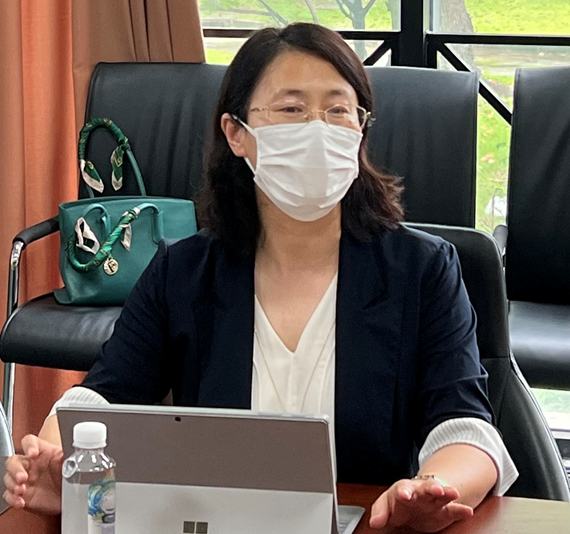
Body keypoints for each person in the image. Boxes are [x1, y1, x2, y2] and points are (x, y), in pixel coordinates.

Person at [3, 23, 518, 532]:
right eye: (292, 110)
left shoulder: (423, 269)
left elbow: (466, 428)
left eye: (338, 110)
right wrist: (56, 463)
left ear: (361, 129)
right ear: (236, 133)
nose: (318, 129)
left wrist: (431, 490)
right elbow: (103, 397)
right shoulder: (183, 271)